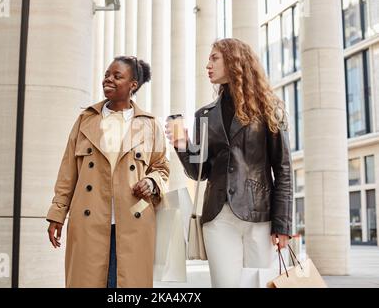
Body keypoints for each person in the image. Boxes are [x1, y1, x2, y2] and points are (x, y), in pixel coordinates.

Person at [165, 38, 293, 288]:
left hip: (260, 215)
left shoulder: (270, 108)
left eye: (214, 58)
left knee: (259, 285)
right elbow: (198, 172)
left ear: (234, 61)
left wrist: (283, 224)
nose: (208, 65)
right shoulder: (204, 114)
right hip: (218, 216)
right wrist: (182, 145)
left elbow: (283, 169)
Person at [46, 56, 170, 288]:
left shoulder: (150, 124)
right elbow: (68, 171)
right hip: (88, 221)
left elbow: (161, 168)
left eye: (117, 76)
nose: (108, 80)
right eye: (107, 75)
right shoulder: (85, 120)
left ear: (133, 85)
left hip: (134, 221)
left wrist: (151, 182)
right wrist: (57, 213)